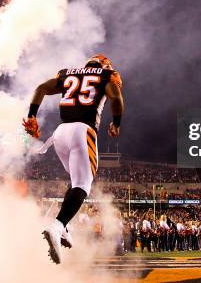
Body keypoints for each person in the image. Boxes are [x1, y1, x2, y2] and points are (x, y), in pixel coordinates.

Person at [23, 54, 124, 264]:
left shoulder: (68, 73)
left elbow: (41, 88)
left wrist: (32, 115)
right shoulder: (105, 75)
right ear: (104, 65)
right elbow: (116, 98)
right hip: (83, 130)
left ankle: (65, 227)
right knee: (82, 185)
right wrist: (116, 122)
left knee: (75, 181)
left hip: (60, 133)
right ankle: (57, 225)